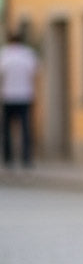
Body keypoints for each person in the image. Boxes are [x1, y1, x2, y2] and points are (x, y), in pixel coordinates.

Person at [1, 29, 39, 168]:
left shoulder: (4, 55)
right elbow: (35, 74)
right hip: (25, 95)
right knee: (26, 129)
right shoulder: (28, 54)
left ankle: (8, 158)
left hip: (8, 95)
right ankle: (26, 158)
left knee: (6, 130)